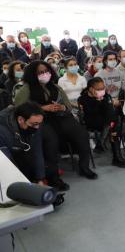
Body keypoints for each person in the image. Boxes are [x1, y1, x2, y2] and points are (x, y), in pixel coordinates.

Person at [15, 61, 97, 189]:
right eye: (40, 72)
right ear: (32, 74)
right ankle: (53, 177)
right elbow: (19, 110)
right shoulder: (26, 89)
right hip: (40, 121)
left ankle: (84, 167)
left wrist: (62, 107)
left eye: (46, 71)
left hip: (60, 117)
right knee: (50, 140)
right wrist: (42, 108)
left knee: (81, 134)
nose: (44, 74)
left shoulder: (55, 87)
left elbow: (68, 106)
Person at [78, 77, 125, 168]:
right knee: (114, 124)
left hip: (106, 121)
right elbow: (91, 112)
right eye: (99, 89)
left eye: (103, 88)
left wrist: (103, 101)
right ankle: (116, 157)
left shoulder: (106, 96)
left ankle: (102, 143)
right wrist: (98, 102)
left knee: (113, 123)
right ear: (91, 89)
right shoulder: (83, 98)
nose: (102, 90)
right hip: (92, 121)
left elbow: (109, 110)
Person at [0, 102, 46, 184]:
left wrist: (40, 179)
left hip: (20, 150)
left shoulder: (35, 123)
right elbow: (7, 163)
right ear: (20, 119)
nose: (37, 127)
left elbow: (37, 152)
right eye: (34, 124)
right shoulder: (3, 131)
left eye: (39, 124)